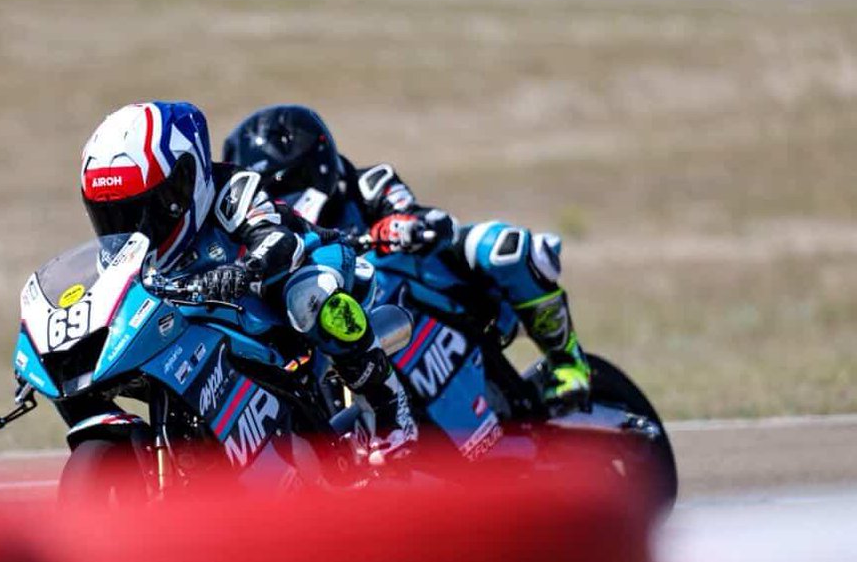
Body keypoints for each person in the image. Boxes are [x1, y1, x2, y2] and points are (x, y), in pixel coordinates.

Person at [79, 101, 417, 462]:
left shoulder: (232, 187)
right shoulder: (125, 250)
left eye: (144, 208)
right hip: (208, 303)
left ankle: (390, 411)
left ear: (184, 183)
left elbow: (278, 240)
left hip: (301, 262)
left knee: (309, 297)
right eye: (111, 214)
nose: (129, 225)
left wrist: (245, 270)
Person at [222, 105, 591, 408]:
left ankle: (568, 363)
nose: (280, 199)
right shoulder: (274, 233)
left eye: (284, 184)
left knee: (501, 247)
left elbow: (425, 219)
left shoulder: (369, 184)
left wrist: (400, 226)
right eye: (269, 191)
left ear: (315, 165)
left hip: (432, 283)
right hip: (337, 310)